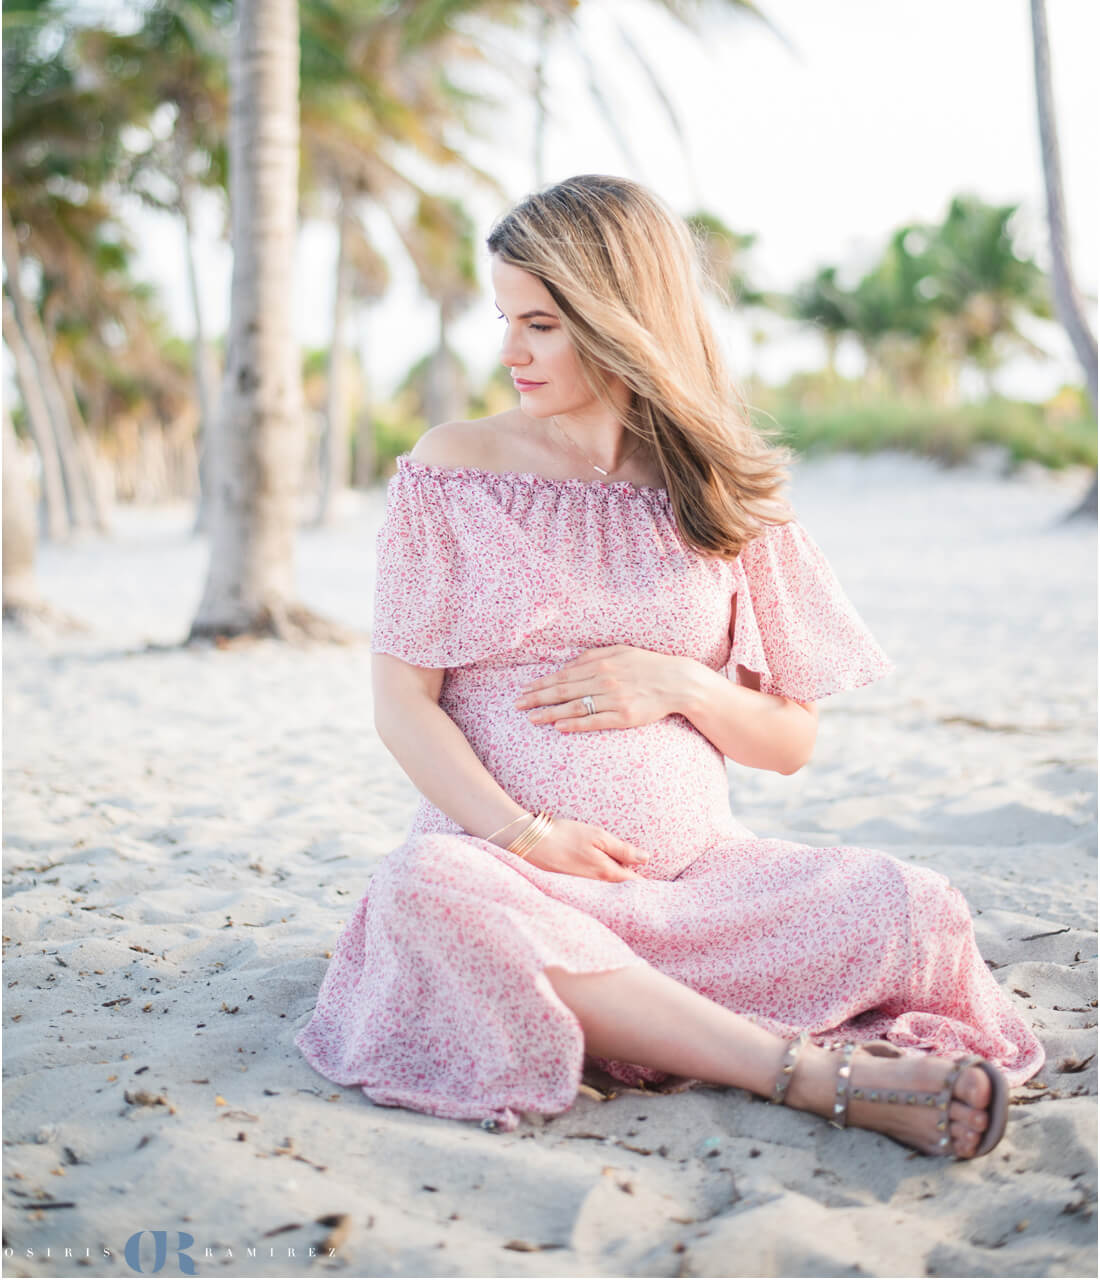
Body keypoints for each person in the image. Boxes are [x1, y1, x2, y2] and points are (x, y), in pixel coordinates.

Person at [294, 174, 1044, 1154]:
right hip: (510, 875)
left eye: (541, 324)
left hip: (698, 887)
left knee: (911, 905)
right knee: (423, 892)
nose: (509, 351)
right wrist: (522, 833)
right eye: (504, 318)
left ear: (619, 319)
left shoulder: (717, 487)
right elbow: (400, 705)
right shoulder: (454, 466)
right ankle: (804, 1073)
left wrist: (681, 682)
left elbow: (788, 742)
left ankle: (643, 1020)